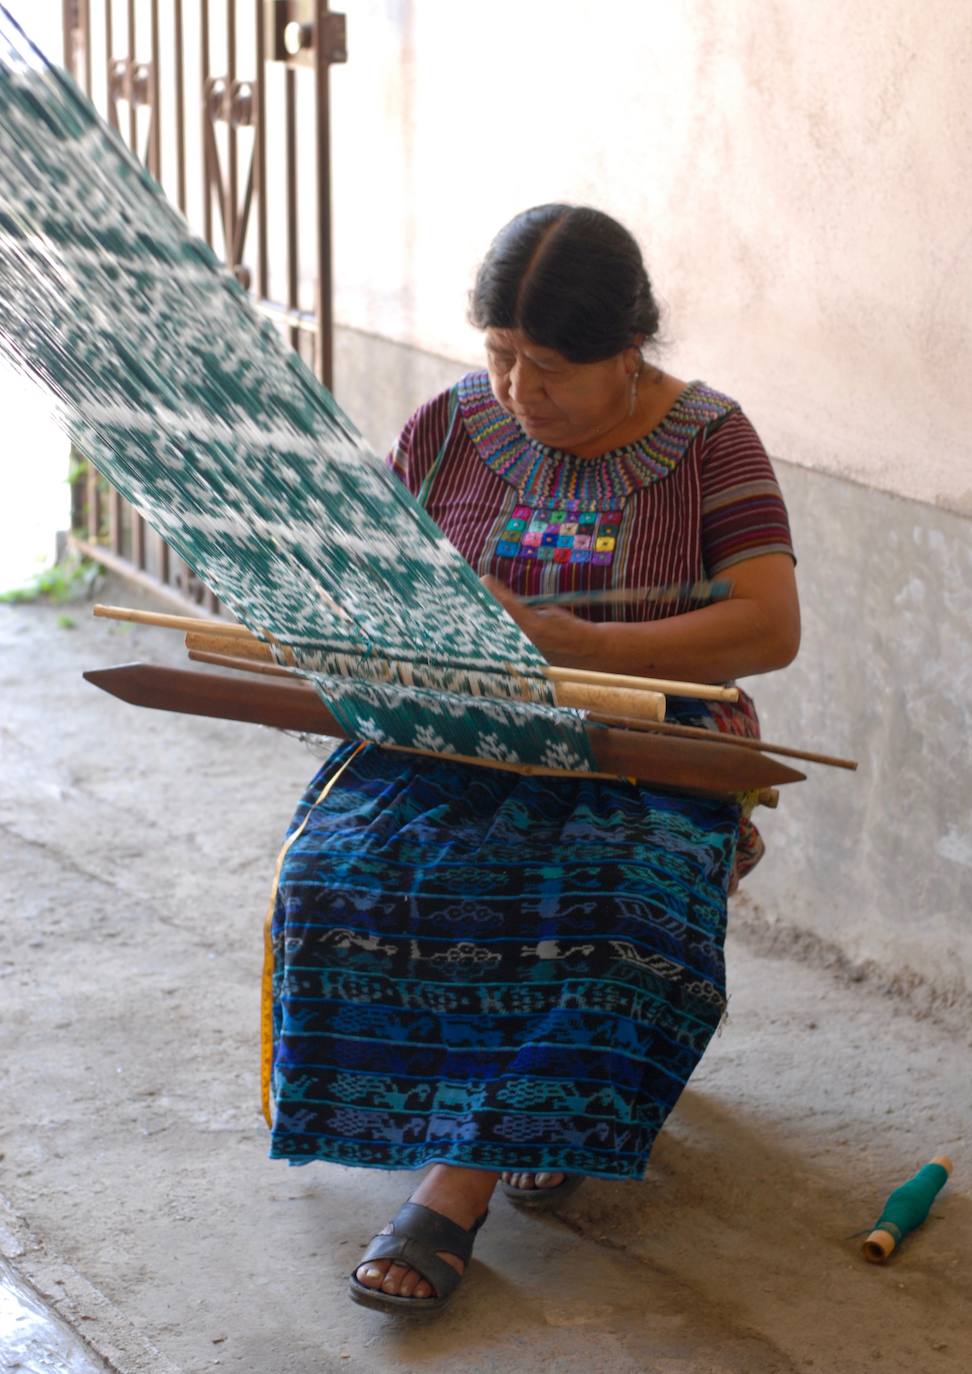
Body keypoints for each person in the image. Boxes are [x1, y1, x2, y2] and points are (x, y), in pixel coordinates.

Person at [267, 204, 800, 1316]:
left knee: (619, 899)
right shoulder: (450, 427)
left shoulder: (710, 441)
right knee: (340, 868)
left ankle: (456, 1187)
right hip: (462, 735)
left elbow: (767, 625)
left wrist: (590, 645)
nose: (517, 390)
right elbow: (376, 577)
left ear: (630, 347)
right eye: (500, 355)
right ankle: (525, 1114)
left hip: (645, 745)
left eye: (550, 367)